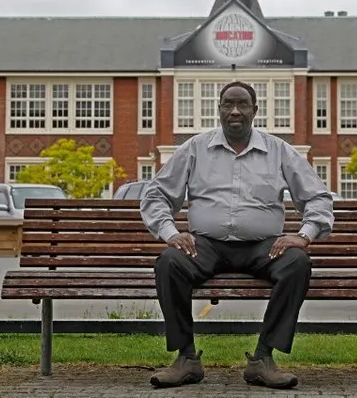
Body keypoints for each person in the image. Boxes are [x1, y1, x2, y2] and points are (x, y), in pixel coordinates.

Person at [140, 81, 334, 389]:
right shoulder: (194, 148)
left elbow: (318, 197)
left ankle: (263, 360)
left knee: (297, 262)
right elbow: (157, 195)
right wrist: (170, 233)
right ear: (218, 110)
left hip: (263, 248)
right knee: (169, 262)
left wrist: (304, 235)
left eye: (242, 104)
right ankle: (186, 359)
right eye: (228, 104)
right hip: (206, 246)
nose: (234, 111)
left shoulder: (279, 150)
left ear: (254, 111)